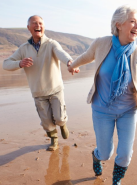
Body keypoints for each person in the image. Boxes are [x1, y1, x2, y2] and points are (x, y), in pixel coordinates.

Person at [68, 5, 137, 185]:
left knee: (125, 154)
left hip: (128, 111)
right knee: (105, 153)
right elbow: (87, 56)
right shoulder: (102, 44)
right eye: (132, 21)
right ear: (118, 24)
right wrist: (72, 65)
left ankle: (116, 181)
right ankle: (96, 157)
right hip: (102, 109)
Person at [3, 15, 79, 151]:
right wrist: (19, 63)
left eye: (40, 23)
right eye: (34, 23)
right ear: (28, 28)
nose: (38, 25)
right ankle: (54, 140)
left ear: (44, 26)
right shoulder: (24, 48)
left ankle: (62, 124)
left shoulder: (51, 44)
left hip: (55, 88)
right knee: (47, 121)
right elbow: (6, 64)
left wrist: (70, 62)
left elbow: (62, 53)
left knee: (59, 117)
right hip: (38, 92)